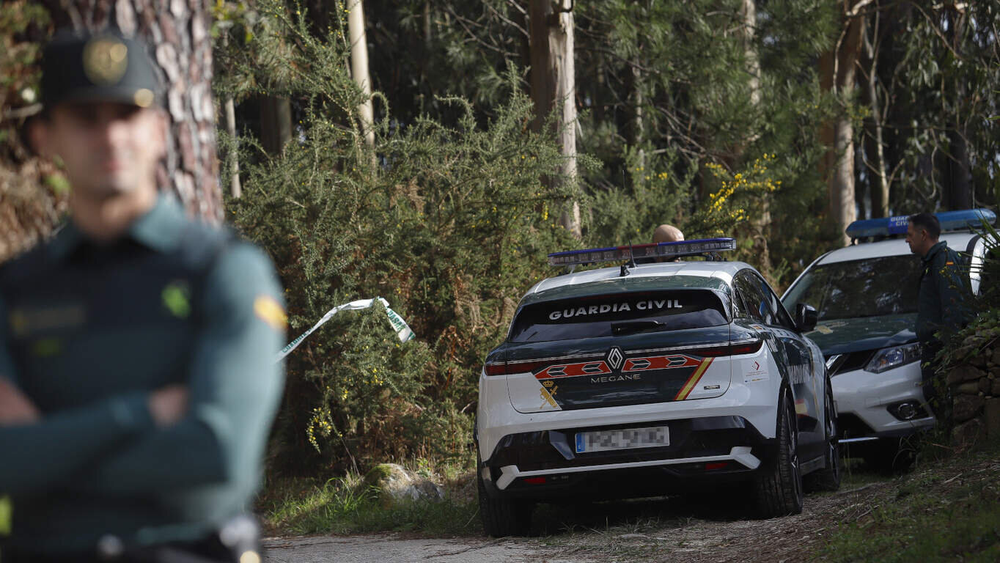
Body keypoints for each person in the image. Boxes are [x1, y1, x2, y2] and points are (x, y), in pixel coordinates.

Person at [0, 30, 286, 562]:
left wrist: (46, 455)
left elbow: (218, 456)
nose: (110, 138)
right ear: (44, 137)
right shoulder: (14, 292)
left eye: (126, 116)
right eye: (86, 118)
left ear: (159, 131)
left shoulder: (225, 273)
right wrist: (139, 414)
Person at [905, 212, 970, 420]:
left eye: (910, 234)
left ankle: (956, 449)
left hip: (941, 350)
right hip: (932, 349)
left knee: (945, 403)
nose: (907, 239)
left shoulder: (943, 260)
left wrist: (950, 350)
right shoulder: (931, 263)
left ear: (923, 234)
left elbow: (953, 306)